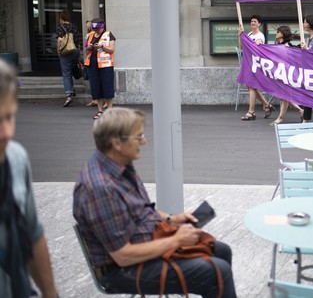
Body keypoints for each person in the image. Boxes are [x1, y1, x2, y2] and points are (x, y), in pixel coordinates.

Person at [73, 107, 236, 297]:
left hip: (146, 243)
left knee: (222, 251)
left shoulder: (119, 163)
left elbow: (140, 209)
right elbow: (123, 256)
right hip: (122, 270)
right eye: (138, 136)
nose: (144, 141)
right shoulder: (99, 189)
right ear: (117, 143)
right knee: (217, 272)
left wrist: (172, 219)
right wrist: (175, 240)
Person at [0, 60, 59, 298]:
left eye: (10, 117)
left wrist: (50, 293)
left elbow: (33, 234)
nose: (7, 133)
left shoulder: (16, 158)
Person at [238, 15, 275, 121]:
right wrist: (240, 35)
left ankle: (251, 112)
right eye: (251, 21)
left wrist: (247, 40)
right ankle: (267, 105)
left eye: (255, 21)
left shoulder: (260, 35)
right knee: (249, 87)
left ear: (259, 24)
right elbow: (241, 47)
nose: (252, 22)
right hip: (248, 63)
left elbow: (256, 45)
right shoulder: (249, 34)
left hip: (256, 64)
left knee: (252, 86)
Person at [269, 25, 304, 125]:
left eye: (278, 32)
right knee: (283, 96)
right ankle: (300, 110)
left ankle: (280, 118)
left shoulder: (287, 45)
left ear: (282, 34)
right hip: (280, 72)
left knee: (284, 96)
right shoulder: (279, 45)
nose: (276, 34)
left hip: (286, 73)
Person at [85, 18, 116, 120]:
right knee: (96, 87)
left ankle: (110, 111)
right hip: (92, 64)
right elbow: (86, 51)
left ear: (102, 26)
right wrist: (89, 47)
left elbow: (112, 49)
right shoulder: (90, 35)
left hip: (105, 65)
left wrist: (102, 47)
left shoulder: (108, 35)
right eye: (94, 28)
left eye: (98, 28)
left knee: (107, 87)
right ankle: (100, 111)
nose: (96, 30)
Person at [56, 10, 80, 107]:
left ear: (61, 18)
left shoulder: (60, 28)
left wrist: (59, 52)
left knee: (66, 73)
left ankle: (69, 95)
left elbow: (59, 40)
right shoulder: (74, 27)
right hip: (75, 51)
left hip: (66, 52)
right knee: (72, 68)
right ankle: (72, 89)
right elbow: (77, 40)